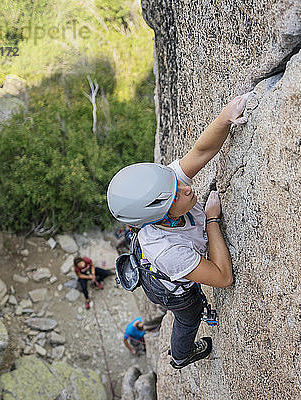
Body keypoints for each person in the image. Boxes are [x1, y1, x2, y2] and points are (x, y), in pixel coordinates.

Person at [107, 93, 250, 369]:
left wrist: (225, 117)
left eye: (176, 182)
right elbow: (222, 277)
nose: (186, 187)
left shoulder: (162, 187)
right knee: (190, 314)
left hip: (158, 267)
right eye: (176, 196)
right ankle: (181, 355)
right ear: (159, 215)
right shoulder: (169, 251)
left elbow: (202, 152)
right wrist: (211, 221)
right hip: (169, 290)